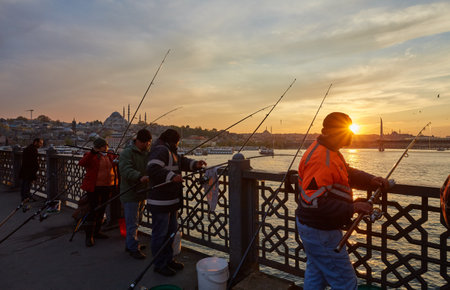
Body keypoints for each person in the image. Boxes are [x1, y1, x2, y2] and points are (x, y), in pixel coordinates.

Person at [296, 112, 390, 290]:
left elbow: (345, 172)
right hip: (320, 231)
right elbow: (313, 203)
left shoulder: (329, 152)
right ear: (330, 132)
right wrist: (352, 207)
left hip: (313, 228)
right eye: (346, 131)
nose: (351, 135)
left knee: (316, 275)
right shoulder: (320, 159)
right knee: (345, 282)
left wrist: (370, 179)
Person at [147, 129, 206, 276]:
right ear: (173, 140)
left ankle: (169, 259)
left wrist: (195, 164)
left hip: (171, 201)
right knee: (160, 234)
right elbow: (152, 169)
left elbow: (180, 161)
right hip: (160, 202)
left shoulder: (169, 150)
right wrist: (171, 176)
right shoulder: (160, 150)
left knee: (170, 233)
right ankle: (159, 265)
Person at [78, 138, 118, 247]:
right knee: (93, 211)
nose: (106, 148)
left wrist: (116, 156)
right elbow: (82, 163)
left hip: (107, 187)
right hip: (94, 188)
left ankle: (97, 231)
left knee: (102, 210)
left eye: (106, 146)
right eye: (103, 146)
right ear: (98, 147)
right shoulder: (91, 155)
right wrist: (92, 153)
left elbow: (116, 163)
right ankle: (89, 236)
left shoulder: (109, 155)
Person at [119, 129, 152, 259]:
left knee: (138, 220)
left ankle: (131, 243)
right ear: (138, 141)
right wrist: (139, 177)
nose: (147, 145)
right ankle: (133, 248)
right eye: (145, 143)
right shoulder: (127, 153)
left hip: (142, 192)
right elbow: (125, 169)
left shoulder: (147, 153)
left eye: (148, 143)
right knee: (132, 221)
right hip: (130, 193)